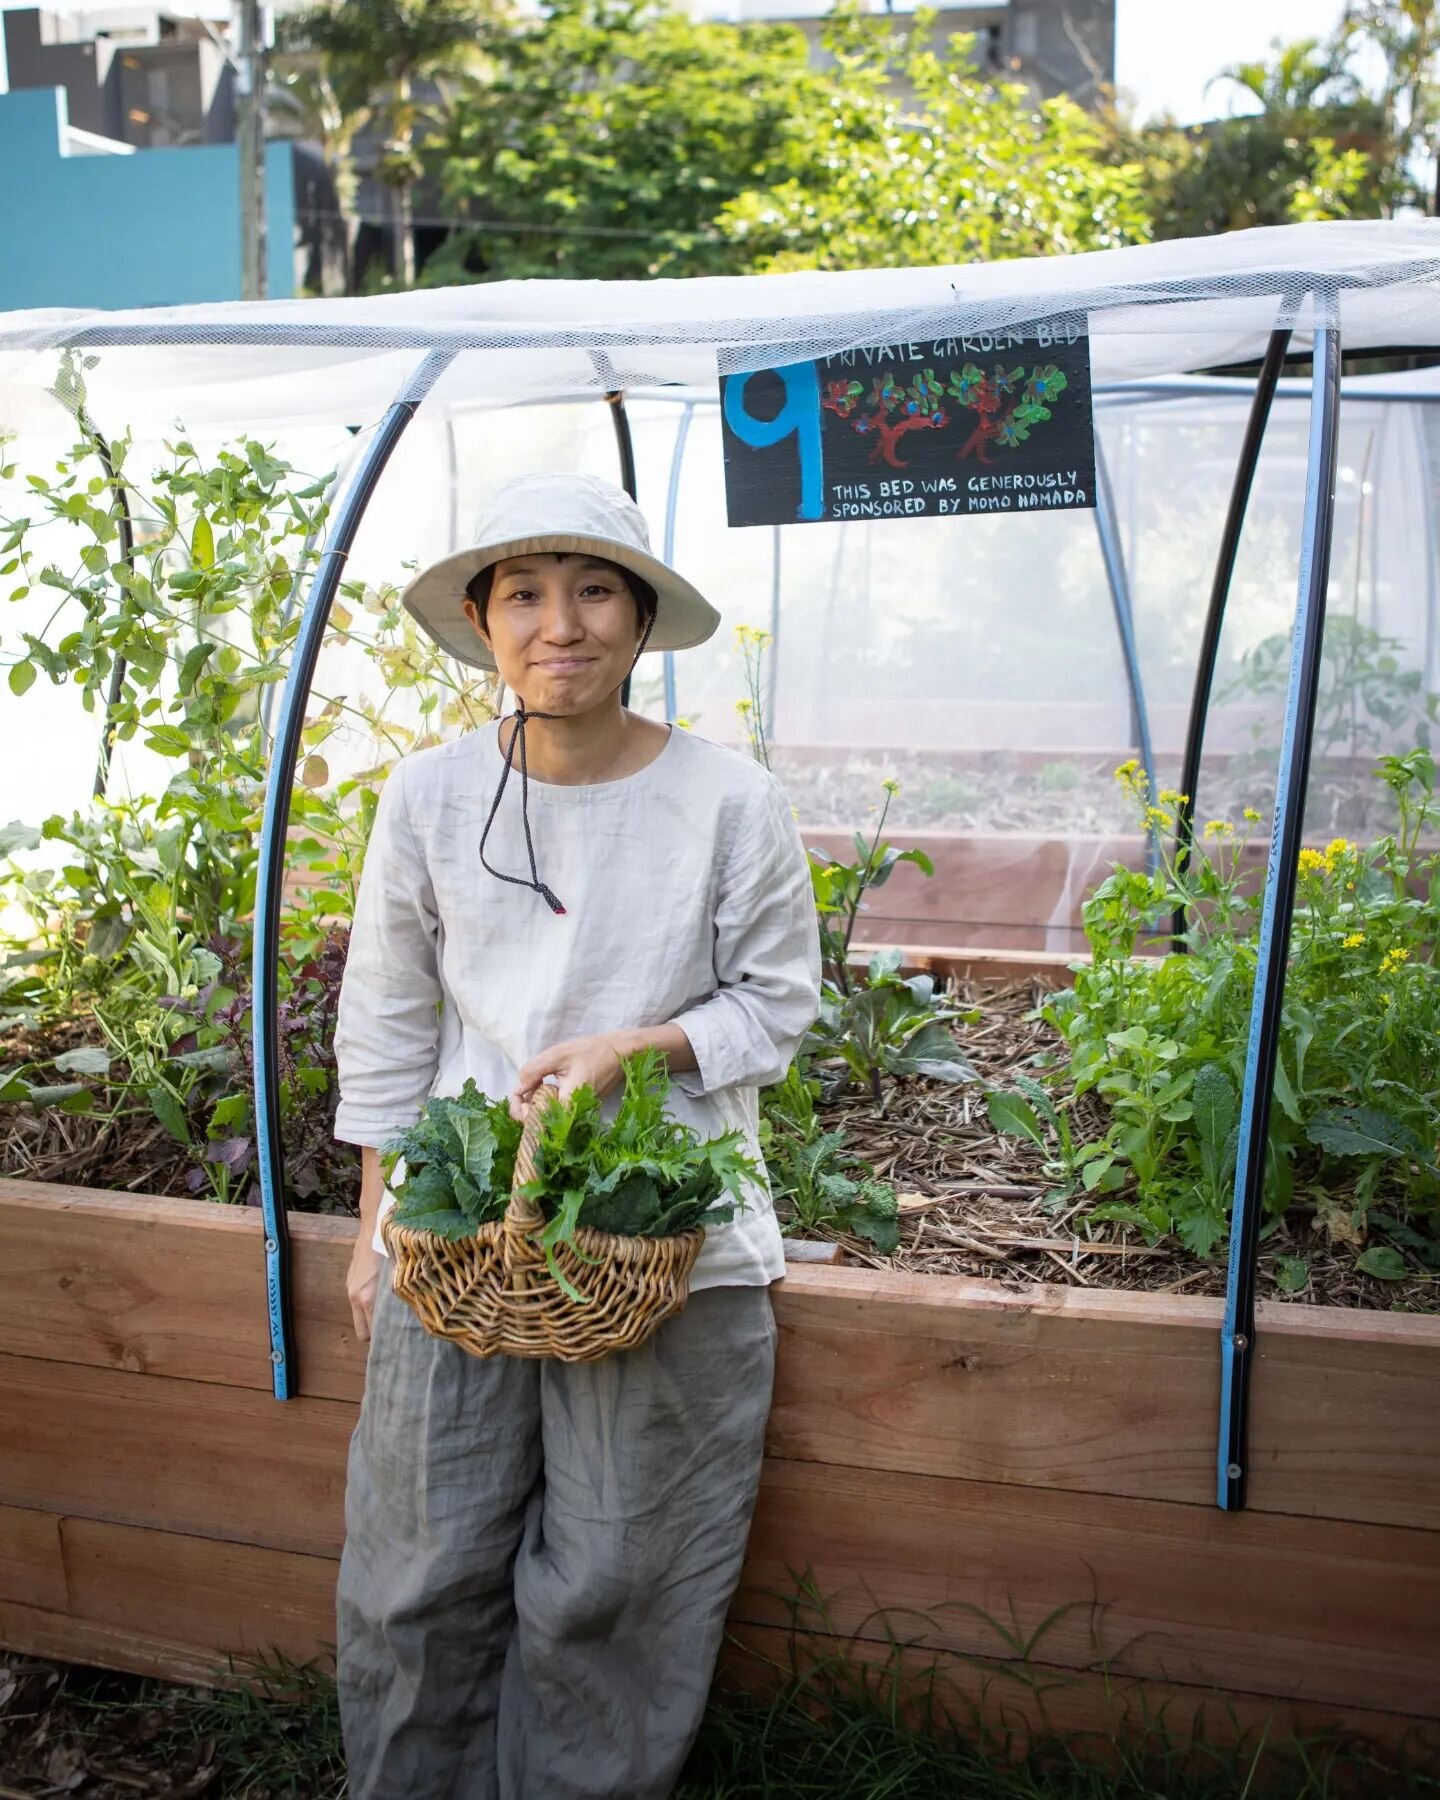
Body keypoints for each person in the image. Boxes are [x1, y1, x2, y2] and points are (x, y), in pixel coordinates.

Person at [330, 470, 821, 1800]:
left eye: (596, 588)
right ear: (484, 621)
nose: (564, 623)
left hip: (658, 1237)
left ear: (642, 617)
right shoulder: (427, 798)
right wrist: (379, 1225)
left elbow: (776, 1009)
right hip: (459, 1228)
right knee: (417, 1564)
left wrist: (637, 1047)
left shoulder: (728, 801)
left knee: (616, 1575)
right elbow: (385, 1021)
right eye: (528, 593)